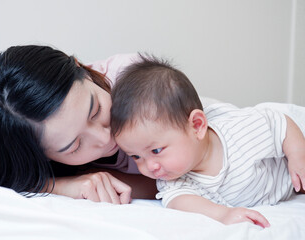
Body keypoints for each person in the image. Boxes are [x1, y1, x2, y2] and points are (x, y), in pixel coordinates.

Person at [0, 45, 158, 203]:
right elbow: (4, 176)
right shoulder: (20, 152)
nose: (105, 138)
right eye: (74, 146)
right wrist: (63, 185)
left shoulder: (144, 86)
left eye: (96, 111)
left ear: (81, 69)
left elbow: (186, 175)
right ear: (41, 155)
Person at [110, 55, 305, 227]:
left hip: (292, 158)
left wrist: (297, 156)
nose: (149, 167)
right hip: (283, 190)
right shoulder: (175, 181)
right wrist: (223, 214)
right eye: (136, 156)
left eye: (156, 151)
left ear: (196, 126)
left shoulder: (240, 130)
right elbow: (180, 201)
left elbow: (281, 123)